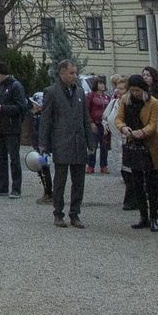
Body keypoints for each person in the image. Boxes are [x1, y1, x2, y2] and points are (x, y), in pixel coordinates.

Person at [37, 59, 92, 228]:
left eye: (75, 73)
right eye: (71, 73)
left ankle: (75, 214)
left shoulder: (80, 92)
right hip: (61, 142)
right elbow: (45, 120)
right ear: (62, 73)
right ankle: (58, 213)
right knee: (60, 180)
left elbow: (85, 119)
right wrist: (43, 144)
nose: (74, 76)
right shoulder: (51, 92)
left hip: (79, 142)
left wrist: (90, 141)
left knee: (79, 182)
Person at [116, 74, 158, 230]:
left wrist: (142, 132)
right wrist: (123, 128)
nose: (135, 93)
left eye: (137, 90)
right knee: (136, 182)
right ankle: (143, 216)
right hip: (132, 144)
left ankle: (154, 217)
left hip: (150, 145)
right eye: (132, 90)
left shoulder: (153, 102)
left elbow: (154, 124)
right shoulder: (126, 100)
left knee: (152, 183)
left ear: (143, 89)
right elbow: (119, 119)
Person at [0, 59, 28, 198]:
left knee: (14, 159)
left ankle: (16, 188)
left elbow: (21, 107)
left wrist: (2, 108)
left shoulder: (16, 86)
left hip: (12, 127)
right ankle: (2, 186)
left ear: (1, 74)